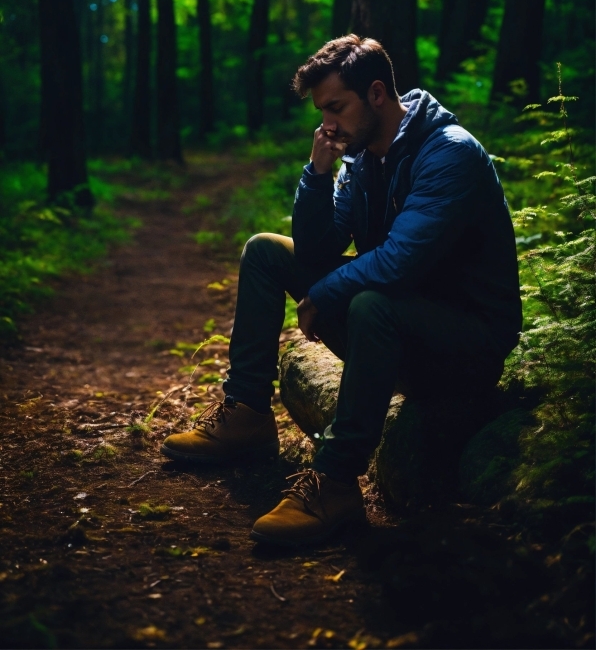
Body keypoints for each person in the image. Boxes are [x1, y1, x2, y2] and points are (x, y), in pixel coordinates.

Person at [161, 35, 522, 547]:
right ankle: (246, 415)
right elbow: (316, 249)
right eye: (321, 111)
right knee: (266, 250)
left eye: (336, 107)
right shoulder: (362, 156)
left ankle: (334, 484)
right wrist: (317, 173)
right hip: (396, 325)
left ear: (376, 94)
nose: (327, 123)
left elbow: (399, 262)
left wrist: (326, 292)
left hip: (464, 347)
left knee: (372, 301)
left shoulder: (450, 153)